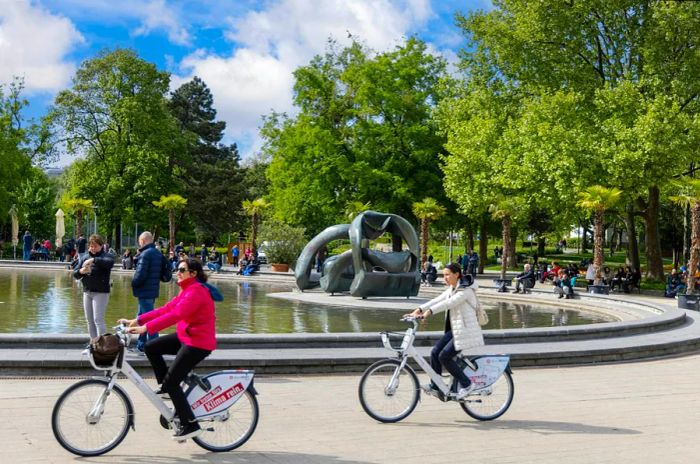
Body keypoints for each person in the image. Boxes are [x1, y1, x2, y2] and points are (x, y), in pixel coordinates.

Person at [119, 257, 217, 440]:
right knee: (151, 347)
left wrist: (146, 328)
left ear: (193, 273)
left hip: (198, 343)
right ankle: (167, 388)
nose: (177, 272)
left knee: (173, 382)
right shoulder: (187, 289)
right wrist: (138, 320)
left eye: (181, 269)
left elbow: (176, 315)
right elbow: (166, 309)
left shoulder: (196, 291)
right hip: (186, 336)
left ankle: (190, 425)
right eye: (177, 269)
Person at [406, 263, 484, 400]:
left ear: (457, 274)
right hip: (456, 330)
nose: (445, 278)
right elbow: (439, 299)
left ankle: (467, 384)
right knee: (435, 352)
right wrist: (419, 309)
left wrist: (429, 312)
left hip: (466, 332)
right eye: (444, 275)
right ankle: (437, 386)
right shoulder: (452, 288)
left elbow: (449, 303)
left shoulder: (466, 290)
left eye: (448, 275)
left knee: (444, 356)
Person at [72, 234, 114, 342]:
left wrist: (94, 260)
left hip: (101, 292)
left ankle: (105, 345)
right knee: (89, 320)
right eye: (91, 246)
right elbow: (75, 273)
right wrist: (81, 271)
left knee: (98, 320)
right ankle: (94, 344)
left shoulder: (106, 256)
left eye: (95, 246)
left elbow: (109, 263)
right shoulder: (85, 256)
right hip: (87, 291)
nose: (93, 248)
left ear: (101, 246)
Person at [131, 231, 164, 354]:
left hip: (145, 291)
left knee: (150, 320)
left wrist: (133, 283)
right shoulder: (156, 253)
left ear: (143, 241)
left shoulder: (145, 254)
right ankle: (141, 346)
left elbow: (140, 274)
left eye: (139, 241)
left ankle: (155, 348)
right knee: (142, 318)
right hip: (153, 290)